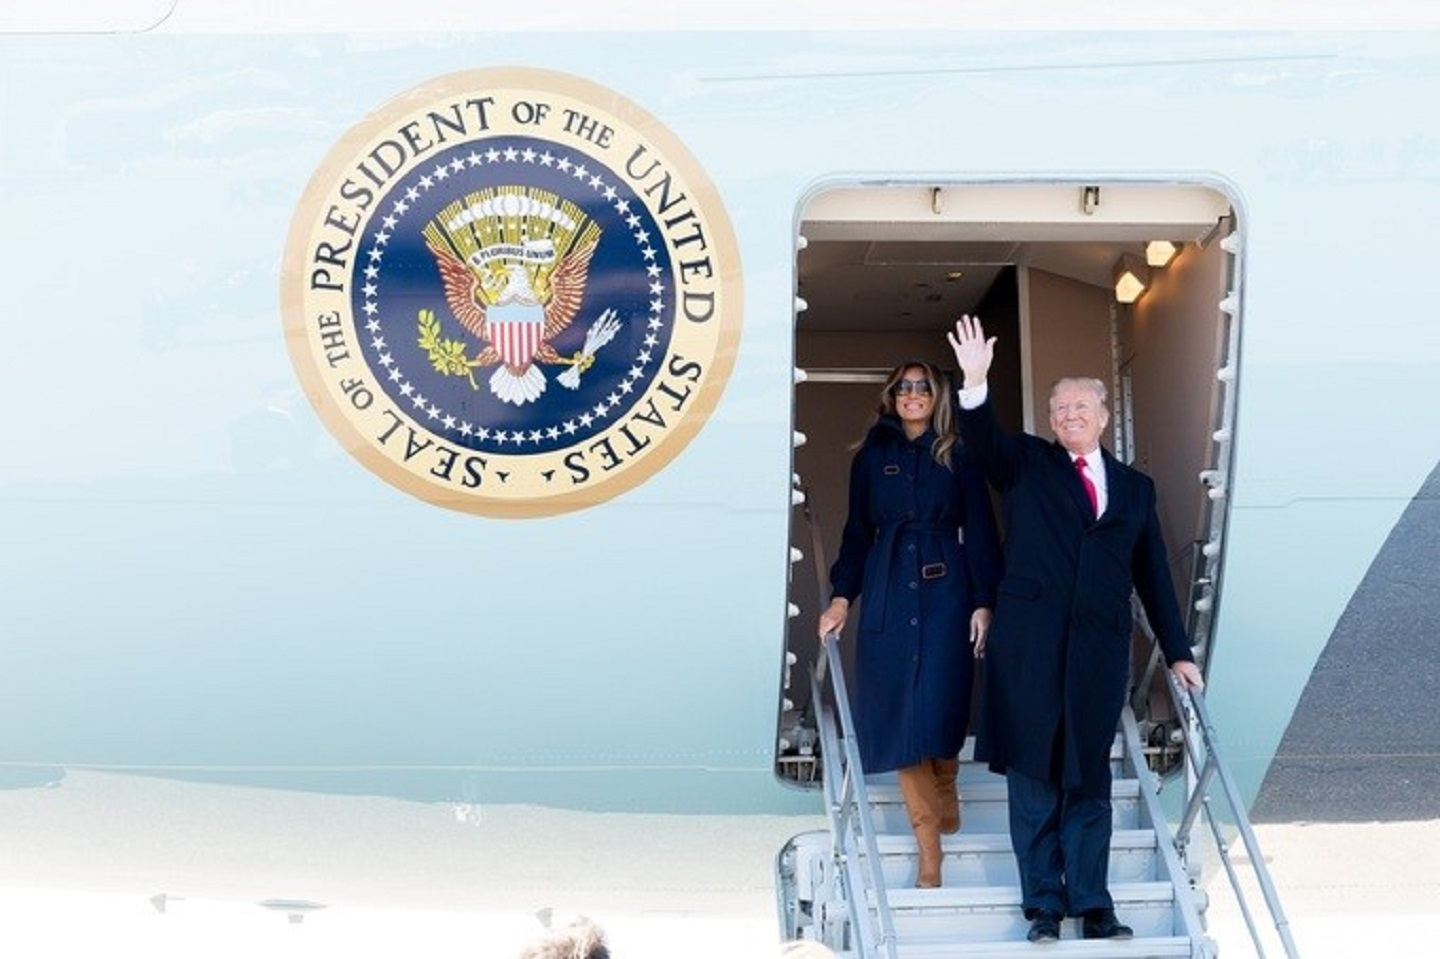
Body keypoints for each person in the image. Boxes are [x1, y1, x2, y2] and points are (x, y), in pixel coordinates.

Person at [946, 315, 1204, 943]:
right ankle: (1042, 906)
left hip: (1096, 653)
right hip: (1029, 651)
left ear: (1104, 415)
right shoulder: (1028, 463)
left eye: (1080, 406)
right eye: (1059, 407)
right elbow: (984, 443)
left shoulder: (1137, 491)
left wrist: (1177, 652)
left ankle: (1093, 904)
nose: (1068, 415)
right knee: (1034, 779)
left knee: (1087, 780)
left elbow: (1154, 578)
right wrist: (974, 383)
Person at [817, 359, 1001, 889]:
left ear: (936, 395)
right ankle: (929, 850)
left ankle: (947, 779)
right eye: (904, 387)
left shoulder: (958, 453)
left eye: (922, 387)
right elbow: (857, 532)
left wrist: (983, 599)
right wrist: (841, 598)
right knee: (899, 712)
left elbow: (983, 530)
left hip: (948, 590)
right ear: (892, 396)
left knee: (943, 700)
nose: (913, 394)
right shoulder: (872, 456)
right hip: (889, 588)